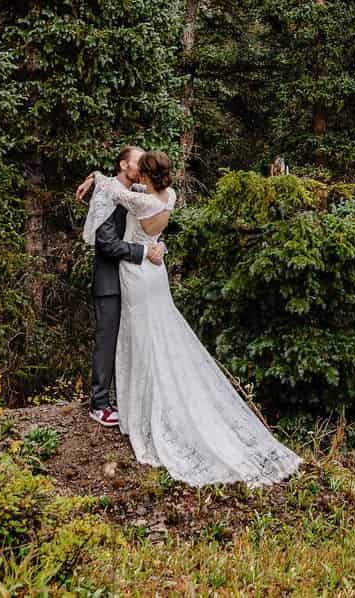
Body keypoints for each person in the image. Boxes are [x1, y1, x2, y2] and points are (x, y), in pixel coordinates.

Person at [77, 151, 301, 487]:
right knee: (156, 334)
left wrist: (97, 174)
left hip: (138, 274)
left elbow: (114, 192)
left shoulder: (139, 200)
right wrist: (150, 246)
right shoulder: (168, 196)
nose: (136, 166)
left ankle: (143, 406)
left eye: (142, 163)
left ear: (145, 174)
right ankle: (129, 399)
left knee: (141, 337)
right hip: (154, 272)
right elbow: (119, 216)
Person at [85, 145, 164, 427]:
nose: (142, 166)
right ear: (123, 165)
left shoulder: (135, 192)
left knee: (130, 339)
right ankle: (99, 403)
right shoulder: (105, 195)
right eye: (137, 162)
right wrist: (143, 253)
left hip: (133, 280)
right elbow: (106, 243)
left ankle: (125, 398)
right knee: (106, 342)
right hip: (110, 281)